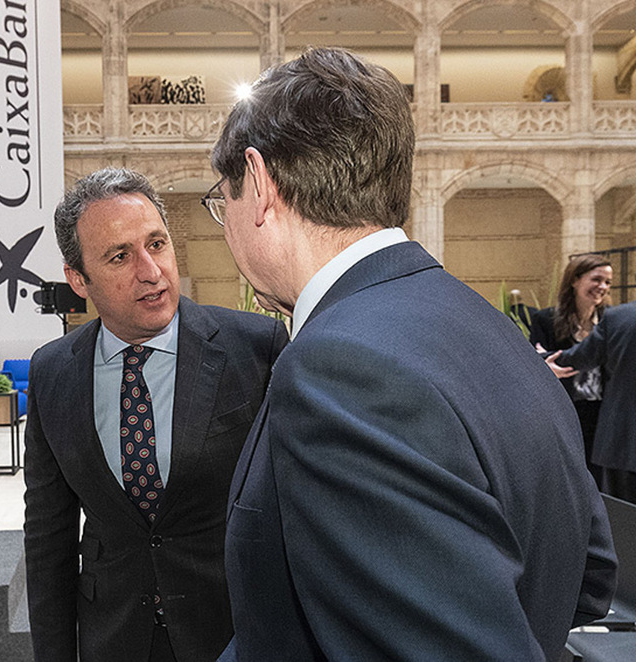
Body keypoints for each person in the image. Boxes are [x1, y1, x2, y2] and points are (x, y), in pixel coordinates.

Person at [207, 47, 616, 660]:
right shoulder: (487, 325)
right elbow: (590, 577)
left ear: (260, 183)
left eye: (224, 200)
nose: (225, 222)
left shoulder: (337, 368)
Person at [23, 167, 288, 662]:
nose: (151, 270)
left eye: (157, 244)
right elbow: (47, 538)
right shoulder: (53, 372)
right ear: (79, 279)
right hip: (115, 636)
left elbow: (290, 513)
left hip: (232, 633)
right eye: (120, 256)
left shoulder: (256, 349)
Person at [531, 255, 612, 479]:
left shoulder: (610, 320)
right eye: (597, 279)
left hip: (601, 414)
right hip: (564, 412)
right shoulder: (545, 319)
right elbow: (532, 363)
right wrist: (546, 369)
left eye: (608, 282)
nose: (602, 287)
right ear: (575, 280)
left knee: (599, 480)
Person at [551, 301, 636, 503]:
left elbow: (580, 357)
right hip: (622, 446)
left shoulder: (620, 317)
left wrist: (543, 359)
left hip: (622, 443)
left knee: (623, 524)